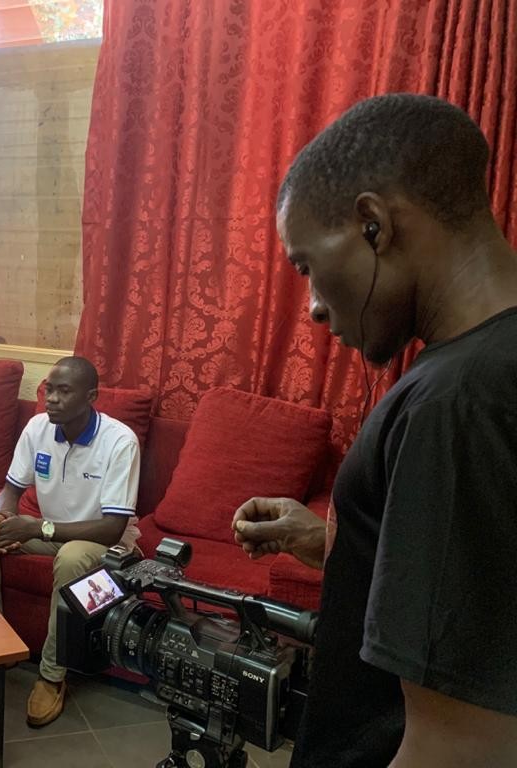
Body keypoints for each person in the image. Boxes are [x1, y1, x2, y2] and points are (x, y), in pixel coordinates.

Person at [231, 94, 517, 767]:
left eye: (307, 267)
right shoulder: (490, 369)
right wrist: (337, 541)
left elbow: (460, 747)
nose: (312, 307)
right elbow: (476, 592)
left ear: (373, 224)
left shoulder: (456, 403)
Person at [0, 356, 140, 727]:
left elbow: (111, 528)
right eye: (49, 390)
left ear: (91, 396)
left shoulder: (120, 441)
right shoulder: (38, 427)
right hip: (50, 533)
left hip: (107, 547)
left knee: (72, 557)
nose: (52, 399)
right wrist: (3, 516)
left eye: (64, 391)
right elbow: (10, 490)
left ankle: (52, 675)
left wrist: (36, 529)